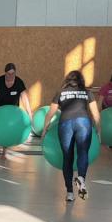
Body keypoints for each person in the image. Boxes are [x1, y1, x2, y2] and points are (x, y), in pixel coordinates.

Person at [42, 71, 101, 203]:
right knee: (83, 152)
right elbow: (96, 114)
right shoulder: (87, 92)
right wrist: (98, 130)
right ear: (81, 80)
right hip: (83, 123)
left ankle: (69, 193)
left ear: (67, 80)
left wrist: (44, 130)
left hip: (66, 123)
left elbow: (50, 113)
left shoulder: (60, 92)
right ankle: (81, 178)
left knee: (67, 157)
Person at [0, 63, 32, 155]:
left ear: (15, 73)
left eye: (13, 74)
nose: (10, 76)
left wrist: (29, 113)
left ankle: (4, 151)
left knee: (8, 129)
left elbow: (24, 98)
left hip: (12, 111)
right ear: (5, 73)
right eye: (8, 74)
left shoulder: (19, 82)